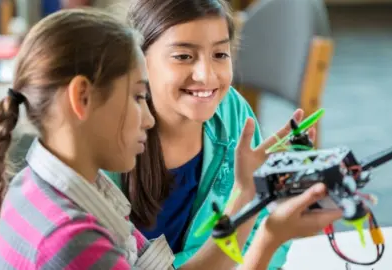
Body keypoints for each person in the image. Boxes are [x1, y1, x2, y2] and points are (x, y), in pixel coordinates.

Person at [0, 8, 342, 270]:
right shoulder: (72, 242)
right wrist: (267, 238)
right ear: (82, 98)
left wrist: (247, 197)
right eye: (137, 96)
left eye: (221, 53)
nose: (147, 117)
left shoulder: (62, 189)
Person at [103, 0, 314, 268]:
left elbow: (258, 229)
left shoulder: (232, 111)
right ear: (138, 61)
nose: (206, 76)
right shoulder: (105, 140)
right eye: (183, 56)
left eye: (220, 54)